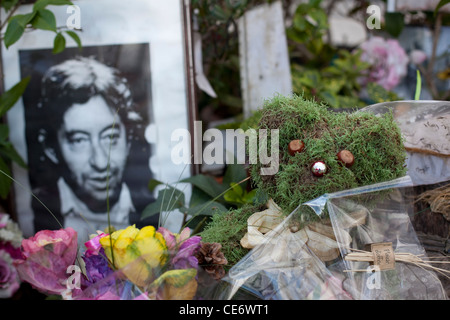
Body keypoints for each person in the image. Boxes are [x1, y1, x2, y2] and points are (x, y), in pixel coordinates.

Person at [32, 56, 156, 240]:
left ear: (128, 138)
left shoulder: (154, 210)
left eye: (110, 137)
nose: (99, 162)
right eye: (79, 140)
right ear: (52, 148)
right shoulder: (37, 213)